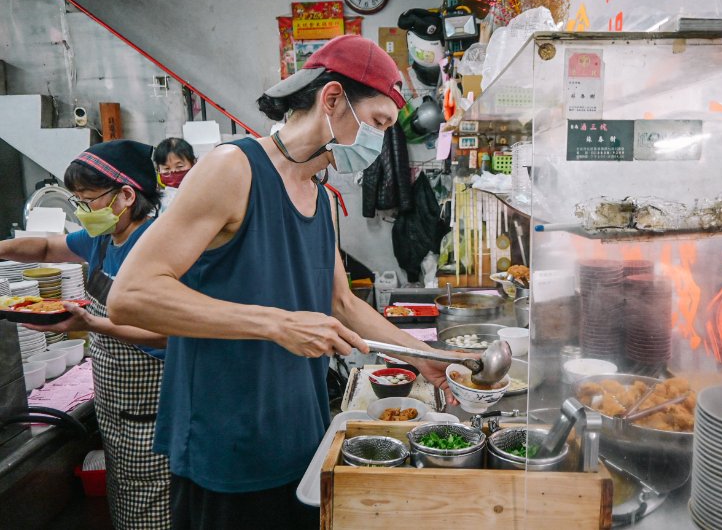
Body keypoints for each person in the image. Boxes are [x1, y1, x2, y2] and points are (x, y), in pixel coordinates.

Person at [108, 35, 459, 530]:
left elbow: (341, 302)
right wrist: (276, 324)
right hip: (228, 443)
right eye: (377, 123)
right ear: (332, 99)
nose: (380, 143)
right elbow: (131, 295)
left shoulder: (321, 199)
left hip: (298, 435)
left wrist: (425, 358)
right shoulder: (234, 169)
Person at [0, 140, 171, 529]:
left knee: (153, 511)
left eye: (87, 199)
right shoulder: (103, 238)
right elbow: (45, 248)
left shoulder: (154, 248)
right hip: (117, 407)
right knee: (126, 502)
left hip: (152, 411)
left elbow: (168, 333)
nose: (81, 210)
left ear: (126, 195)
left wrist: (88, 324)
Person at [154, 137, 197, 211]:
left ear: (194, 163)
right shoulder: (157, 201)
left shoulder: (203, 190)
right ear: (158, 169)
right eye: (167, 168)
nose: (173, 171)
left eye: (179, 166)